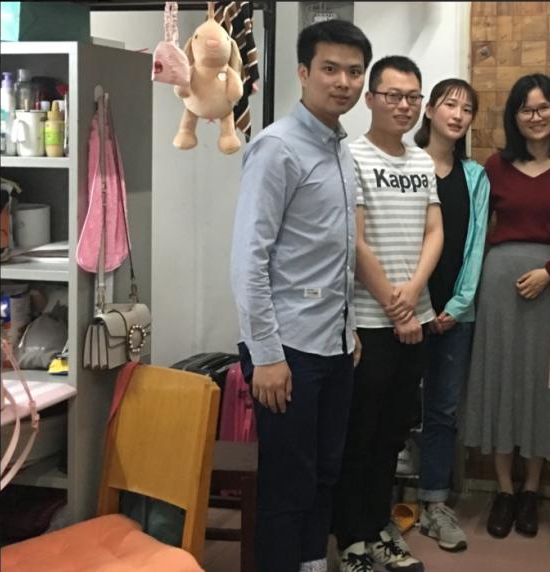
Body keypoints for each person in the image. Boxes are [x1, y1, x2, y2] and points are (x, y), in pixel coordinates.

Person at [229, 19, 370, 572]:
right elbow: (248, 260)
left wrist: (349, 327)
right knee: (288, 484)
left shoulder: (340, 149)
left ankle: (312, 564)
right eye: (330, 69)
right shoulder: (277, 148)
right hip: (286, 350)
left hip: (333, 344)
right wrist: (266, 355)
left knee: (324, 474)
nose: (343, 82)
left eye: (354, 71)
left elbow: (333, 252)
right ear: (303, 73)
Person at [461, 73, 550, 539]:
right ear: (514, 117)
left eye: (543, 107)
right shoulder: (495, 166)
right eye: (526, 109)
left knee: (538, 384)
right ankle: (504, 490)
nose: (535, 117)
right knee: (498, 380)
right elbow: (478, 228)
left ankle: (531, 489)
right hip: (497, 288)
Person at [332, 56, 441, 572]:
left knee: (392, 437)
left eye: (413, 97)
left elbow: (434, 231)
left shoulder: (422, 162)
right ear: (371, 98)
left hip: (415, 320)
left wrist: (413, 294)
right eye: (393, 95)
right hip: (369, 324)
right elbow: (354, 242)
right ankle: (351, 540)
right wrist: (395, 309)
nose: (404, 105)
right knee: (359, 435)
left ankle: (379, 529)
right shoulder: (350, 156)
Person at [411, 78, 489, 552]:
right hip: (405, 312)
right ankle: (376, 504)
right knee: (392, 409)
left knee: (443, 410)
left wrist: (457, 306)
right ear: (430, 110)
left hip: (455, 315)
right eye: (449, 105)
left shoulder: (475, 176)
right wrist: (415, 306)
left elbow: (475, 245)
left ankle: (434, 503)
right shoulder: (405, 165)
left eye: (467, 109)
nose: (458, 115)